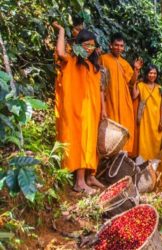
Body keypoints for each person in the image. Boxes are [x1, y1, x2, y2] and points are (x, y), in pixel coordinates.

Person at [53, 23, 105, 194]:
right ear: (78, 45)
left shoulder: (93, 67)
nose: (89, 49)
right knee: (80, 143)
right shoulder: (72, 61)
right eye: (86, 45)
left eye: (92, 45)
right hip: (75, 111)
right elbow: (60, 53)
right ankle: (79, 182)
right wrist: (61, 31)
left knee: (89, 144)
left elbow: (99, 90)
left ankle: (89, 177)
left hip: (91, 111)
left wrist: (103, 110)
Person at [100, 33, 143, 156]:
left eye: (121, 46)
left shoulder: (124, 63)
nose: (119, 48)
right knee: (109, 130)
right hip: (110, 99)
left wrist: (136, 70)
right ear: (111, 45)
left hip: (124, 101)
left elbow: (132, 82)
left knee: (124, 128)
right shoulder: (103, 59)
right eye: (116, 45)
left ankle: (120, 161)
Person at [54, 16, 84, 142]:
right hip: (68, 91)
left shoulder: (87, 52)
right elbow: (60, 53)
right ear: (72, 30)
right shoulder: (70, 50)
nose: (79, 32)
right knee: (67, 125)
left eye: (81, 30)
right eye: (77, 29)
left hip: (82, 95)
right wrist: (61, 30)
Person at [132, 65, 162, 160]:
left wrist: (161, 120)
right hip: (145, 119)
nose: (152, 75)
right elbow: (134, 96)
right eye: (150, 73)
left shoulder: (160, 88)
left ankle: (153, 167)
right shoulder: (141, 86)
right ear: (146, 74)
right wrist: (135, 82)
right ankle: (142, 165)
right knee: (144, 142)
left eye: (154, 73)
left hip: (156, 119)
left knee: (155, 142)